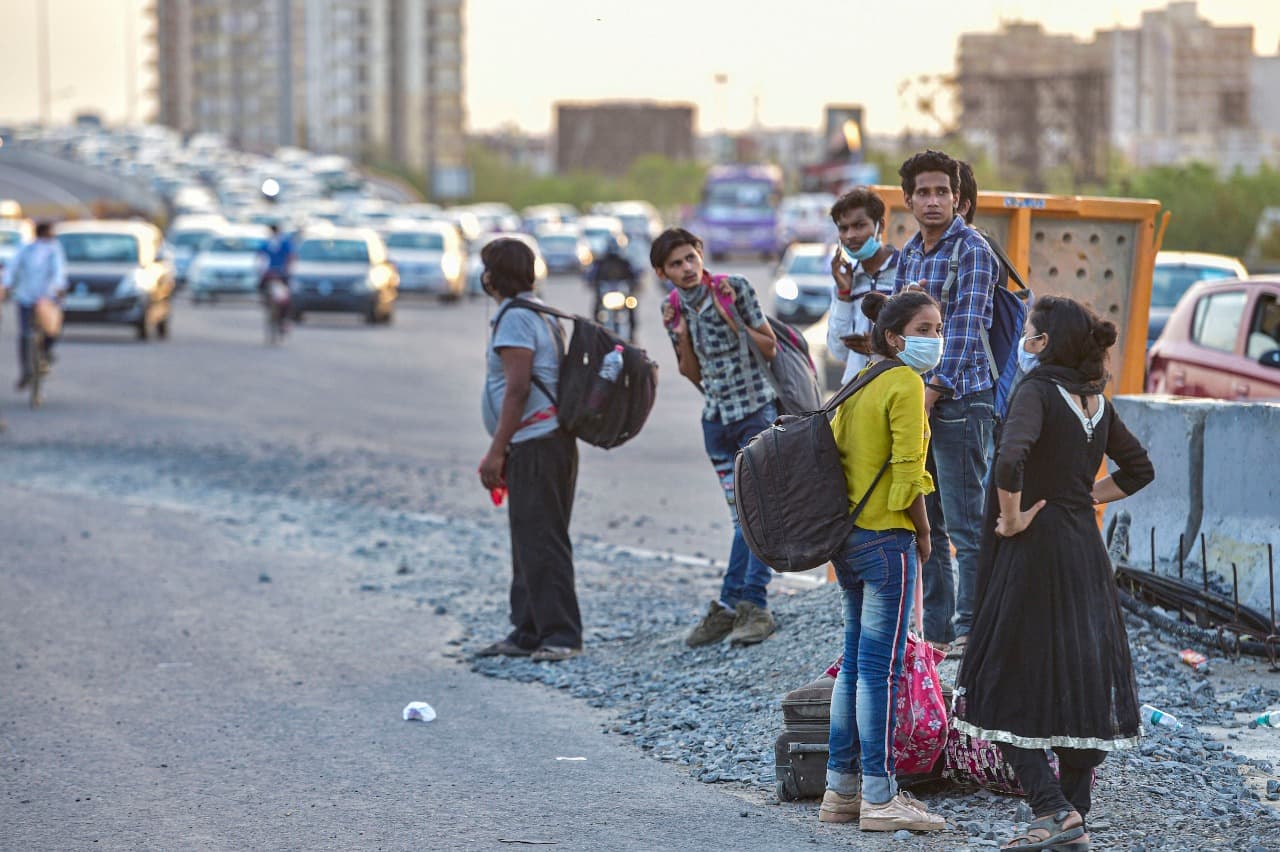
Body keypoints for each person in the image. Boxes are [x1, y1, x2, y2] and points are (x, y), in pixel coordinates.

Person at [953, 296, 1154, 851]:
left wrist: (1013, 516)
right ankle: (1073, 815)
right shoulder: (1094, 400)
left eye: (1030, 331)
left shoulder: (1038, 391)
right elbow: (1138, 469)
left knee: (1004, 670)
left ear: (1042, 343)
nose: (1026, 339)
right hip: (1084, 554)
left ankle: (1050, 808)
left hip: (1036, 551)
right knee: (1079, 675)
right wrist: (1085, 494)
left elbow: (1010, 458)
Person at [818, 289, 946, 834]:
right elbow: (908, 470)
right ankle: (881, 795)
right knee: (880, 672)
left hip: (846, 542)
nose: (935, 339)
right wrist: (924, 532)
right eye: (925, 329)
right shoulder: (904, 383)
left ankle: (839, 791)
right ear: (895, 337)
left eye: (938, 329)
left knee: (854, 666)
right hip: (886, 541)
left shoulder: (858, 382)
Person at [893, 150, 1000, 655]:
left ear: (957, 197)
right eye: (924, 192)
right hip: (915, 402)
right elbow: (891, 326)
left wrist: (931, 394)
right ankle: (936, 632)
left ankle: (972, 628)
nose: (933, 201)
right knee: (925, 523)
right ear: (908, 199)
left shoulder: (972, 250)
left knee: (965, 522)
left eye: (942, 192)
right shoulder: (910, 253)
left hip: (959, 402)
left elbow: (965, 328)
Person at [656, 227, 781, 648]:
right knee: (739, 518)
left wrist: (733, 322)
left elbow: (771, 347)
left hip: (754, 413)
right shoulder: (671, 308)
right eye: (676, 264)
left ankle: (751, 605)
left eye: (691, 258)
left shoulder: (734, 289)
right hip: (716, 421)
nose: (687, 268)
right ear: (663, 272)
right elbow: (688, 370)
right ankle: (734, 607)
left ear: (701, 254)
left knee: (758, 513)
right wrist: (684, 335)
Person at [475, 237, 583, 663]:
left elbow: (517, 389)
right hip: (542, 443)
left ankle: (561, 634)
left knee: (542, 538)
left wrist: (495, 451)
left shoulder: (518, 319)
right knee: (528, 536)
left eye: (486, 268)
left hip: (537, 443)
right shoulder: (535, 312)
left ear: (495, 276)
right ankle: (528, 630)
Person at [826, 188, 900, 384]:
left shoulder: (905, 269)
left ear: (880, 226)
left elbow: (921, 338)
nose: (850, 235)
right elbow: (838, 350)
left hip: (895, 385)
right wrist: (843, 293)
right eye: (843, 228)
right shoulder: (847, 281)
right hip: (857, 390)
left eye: (859, 226)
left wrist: (879, 346)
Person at [2, 221, 66, 390]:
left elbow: (59, 271)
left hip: (47, 297)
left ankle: (45, 354)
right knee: (24, 334)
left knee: (52, 329)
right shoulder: (26, 249)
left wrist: (59, 287)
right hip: (26, 296)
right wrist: (7, 283)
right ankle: (26, 371)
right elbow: (12, 267)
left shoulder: (54, 250)